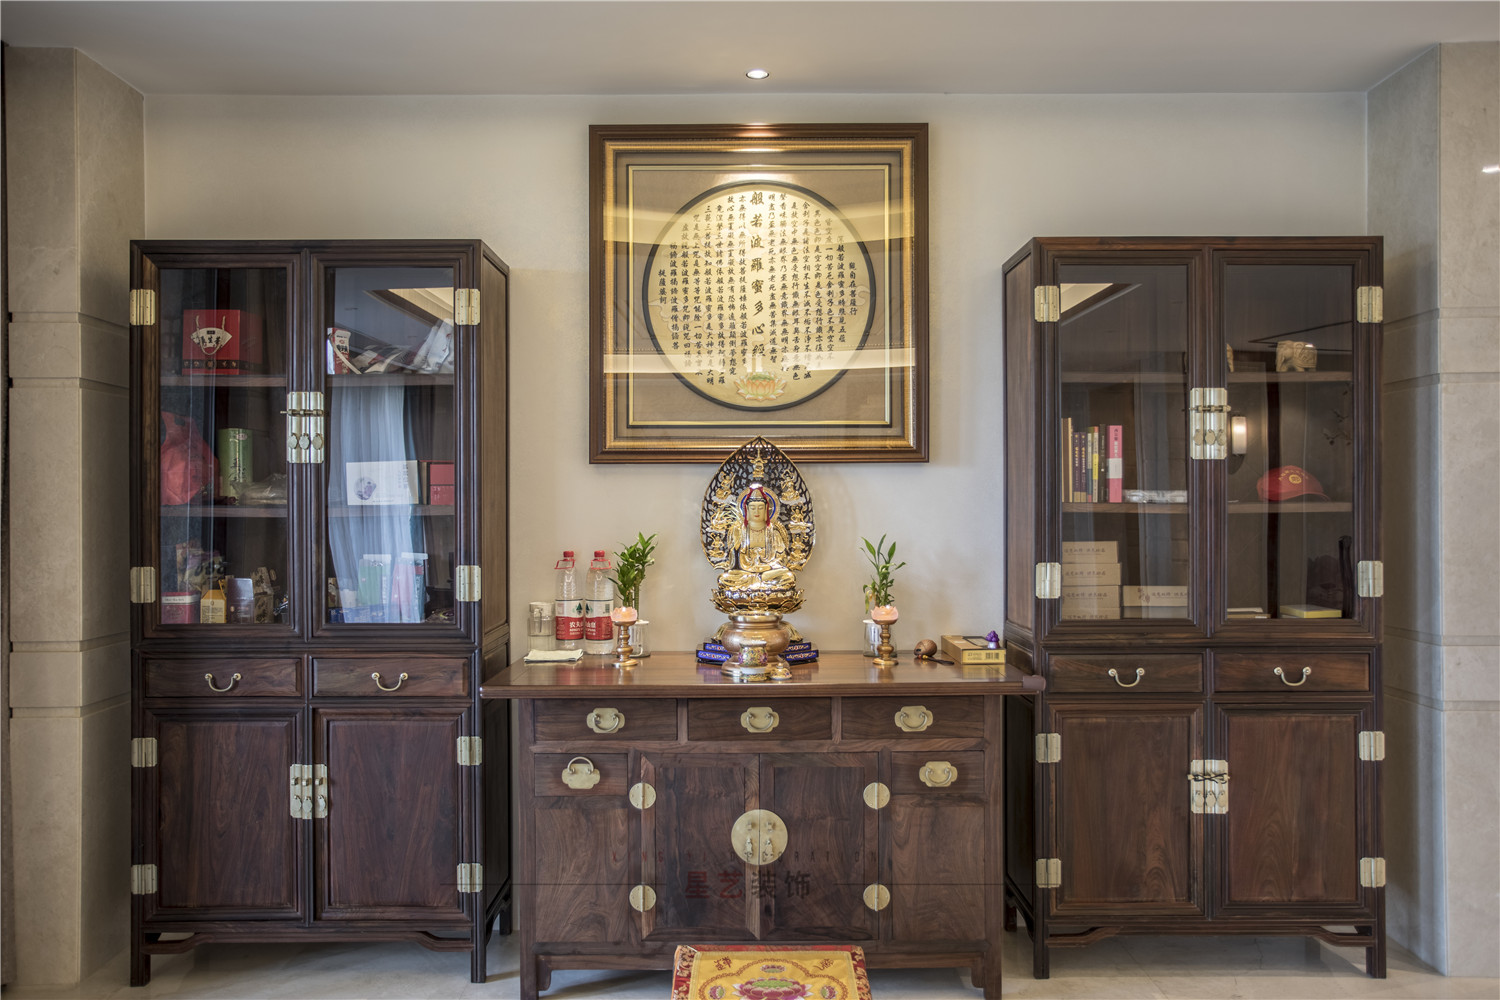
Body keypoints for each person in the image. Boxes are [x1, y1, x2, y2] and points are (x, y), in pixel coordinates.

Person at [717, 486, 795, 590]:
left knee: (789, 577)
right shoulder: (739, 531)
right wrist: (736, 547)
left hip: (768, 573)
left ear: (766, 510)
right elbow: (733, 565)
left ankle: (760, 579)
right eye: (753, 508)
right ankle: (760, 581)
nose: (756, 511)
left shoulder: (773, 532)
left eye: (760, 508)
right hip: (746, 574)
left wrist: (767, 567)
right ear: (747, 510)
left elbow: (782, 559)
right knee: (723, 579)